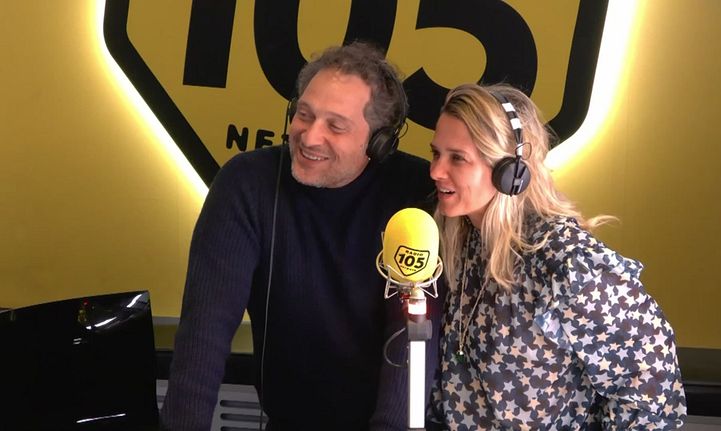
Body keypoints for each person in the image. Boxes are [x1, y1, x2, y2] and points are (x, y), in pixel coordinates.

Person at [160, 41, 440, 430]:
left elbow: (411, 345)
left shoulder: (416, 195)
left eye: (335, 126)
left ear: (379, 142)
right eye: (304, 115)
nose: (309, 137)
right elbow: (203, 335)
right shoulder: (246, 184)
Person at [426, 83, 687, 430]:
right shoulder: (462, 239)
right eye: (436, 154)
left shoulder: (566, 262)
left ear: (510, 173)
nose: (436, 171)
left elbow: (651, 375)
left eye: (457, 158)